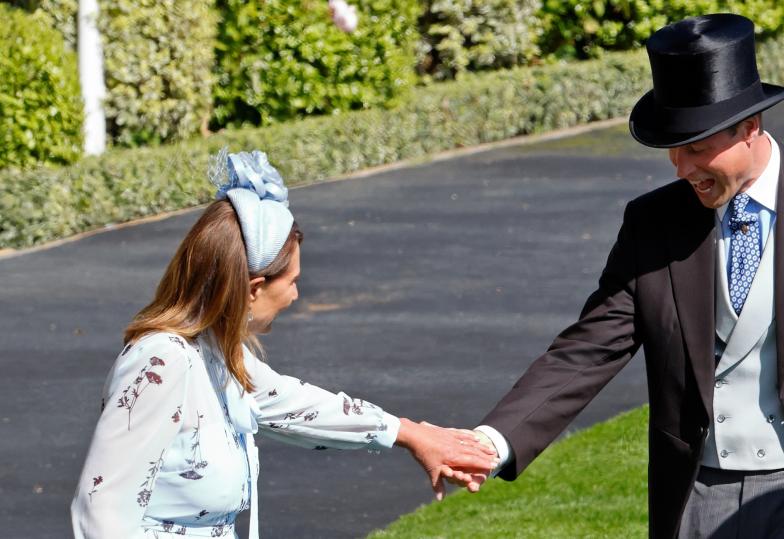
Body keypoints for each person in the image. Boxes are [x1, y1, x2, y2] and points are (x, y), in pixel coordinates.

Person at [443, 13, 784, 539]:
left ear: (751, 127)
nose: (682, 168)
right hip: (696, 504)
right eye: (673, 149)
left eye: (698, 147)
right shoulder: (652, 222)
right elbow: (587, 350)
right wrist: (492, 442)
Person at [70, 150, 495, 538]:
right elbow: (101, 510)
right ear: (254, 288)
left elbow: (296, 406)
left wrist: (410, 434)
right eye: (291, 282)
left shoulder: (214, 352)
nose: (295, 296)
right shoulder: (162, 361)